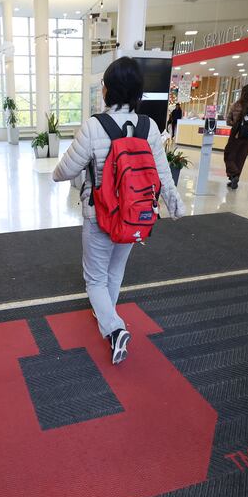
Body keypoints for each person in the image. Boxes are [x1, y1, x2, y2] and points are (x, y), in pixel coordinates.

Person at [53, 57, 186, 364]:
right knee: (115, 272)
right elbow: (163, 173)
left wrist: (54, 173)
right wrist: (175, 205)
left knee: (94, 279)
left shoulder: (93, 127)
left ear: (107, 90)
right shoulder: (149, 127)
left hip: (99, 215)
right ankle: (108, 317)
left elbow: (65, 170)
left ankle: (113, 328)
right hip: (133, 215)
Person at [224, 84, 248, 190]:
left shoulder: (236, 105)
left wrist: (235, 124)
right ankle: (235, 177)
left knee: (229, 154)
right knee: (241, 157)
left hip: (236, 134)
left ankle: (234, 175)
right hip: (247, 136)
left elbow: (228, 121)